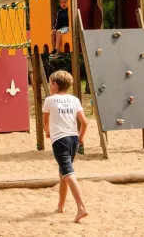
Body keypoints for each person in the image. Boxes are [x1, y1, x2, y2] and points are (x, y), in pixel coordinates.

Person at [43, 70, 89, 223]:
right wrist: (80, 137)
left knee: (68, 173)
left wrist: (48, 132)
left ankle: (81, 207)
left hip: (60, 140)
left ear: (55, 84)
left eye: (50, 83)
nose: (50, 86)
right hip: (73, 139)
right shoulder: (74, 99)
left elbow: (45, 120)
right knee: (63, 171)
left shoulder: (50, 100)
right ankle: (61, 205)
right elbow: (84, 122)